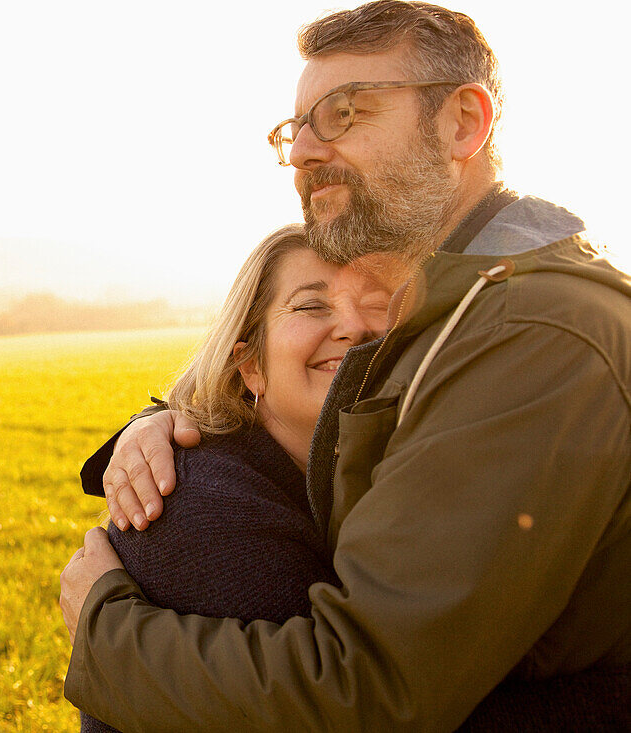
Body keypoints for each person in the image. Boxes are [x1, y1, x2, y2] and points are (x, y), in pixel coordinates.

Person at [59, 1, 631, 730]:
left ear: (463, 123)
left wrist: (109, 639)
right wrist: (172, 419)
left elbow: (370, 692)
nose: (302, 150)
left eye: (345, 113)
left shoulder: (530, 333)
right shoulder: (453, 317)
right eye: (294, 128)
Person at [78, 224, 391, 732]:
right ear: (250, 367)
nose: (354, 327)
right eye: (313, 306)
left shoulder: (354, 479)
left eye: (375, 302)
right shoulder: (203, 505)